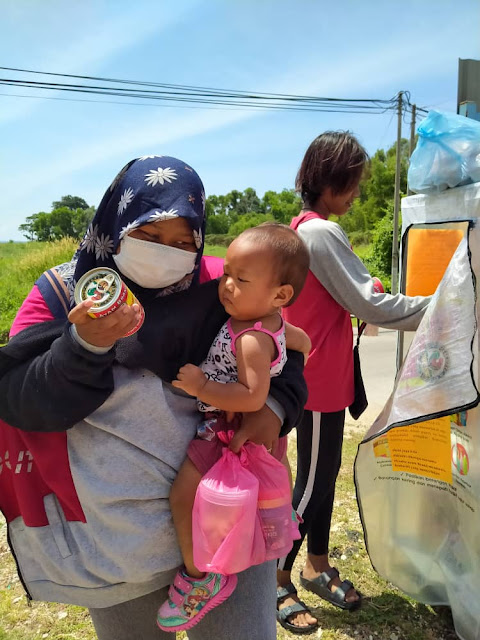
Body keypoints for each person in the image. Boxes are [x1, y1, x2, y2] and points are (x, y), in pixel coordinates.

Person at [0, 156, 307, 640]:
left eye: (185, 241)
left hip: (228, 523)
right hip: (118, 548)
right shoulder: (63, 295)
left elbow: (282, 348)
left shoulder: (220, 284)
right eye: (151, 235)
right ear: (116, 223)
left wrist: (275, 407)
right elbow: (22, 400)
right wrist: (85, 347)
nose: (170, 252)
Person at [276, 131, 432, 634]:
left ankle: (316, 565)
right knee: (313, 484)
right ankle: (277, 576)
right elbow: (369, 304)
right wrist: (444, 305)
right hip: (318, 380)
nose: (358, 194)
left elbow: (347, 296)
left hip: (325, 377)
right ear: (330, 180)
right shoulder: (320, 233)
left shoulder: (308, 229)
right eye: (354, 184)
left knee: (323, 478)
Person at [157, 223, 311, 632]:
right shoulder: (270, 319)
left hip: (226, 427)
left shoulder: (250, 339)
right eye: (226, 273)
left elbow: (252, 398)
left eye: (240, 280)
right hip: (229, 425)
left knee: (182, 496)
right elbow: (302, 342)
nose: (225, 285)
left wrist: (202, 385)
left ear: (280, 294)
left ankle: (199, 577)